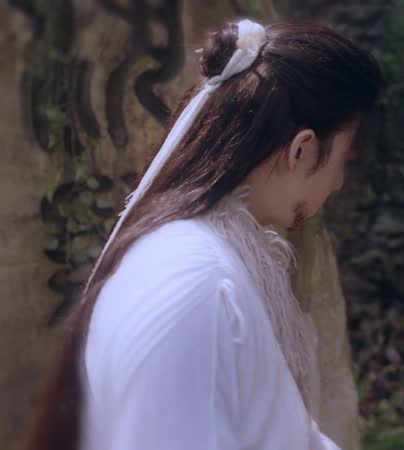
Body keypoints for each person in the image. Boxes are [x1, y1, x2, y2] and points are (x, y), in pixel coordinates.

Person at [27, 19, 382, 450]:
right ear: (303, 150)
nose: (338, 184)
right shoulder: (200, 283)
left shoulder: (204, 264)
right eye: (345, 161)